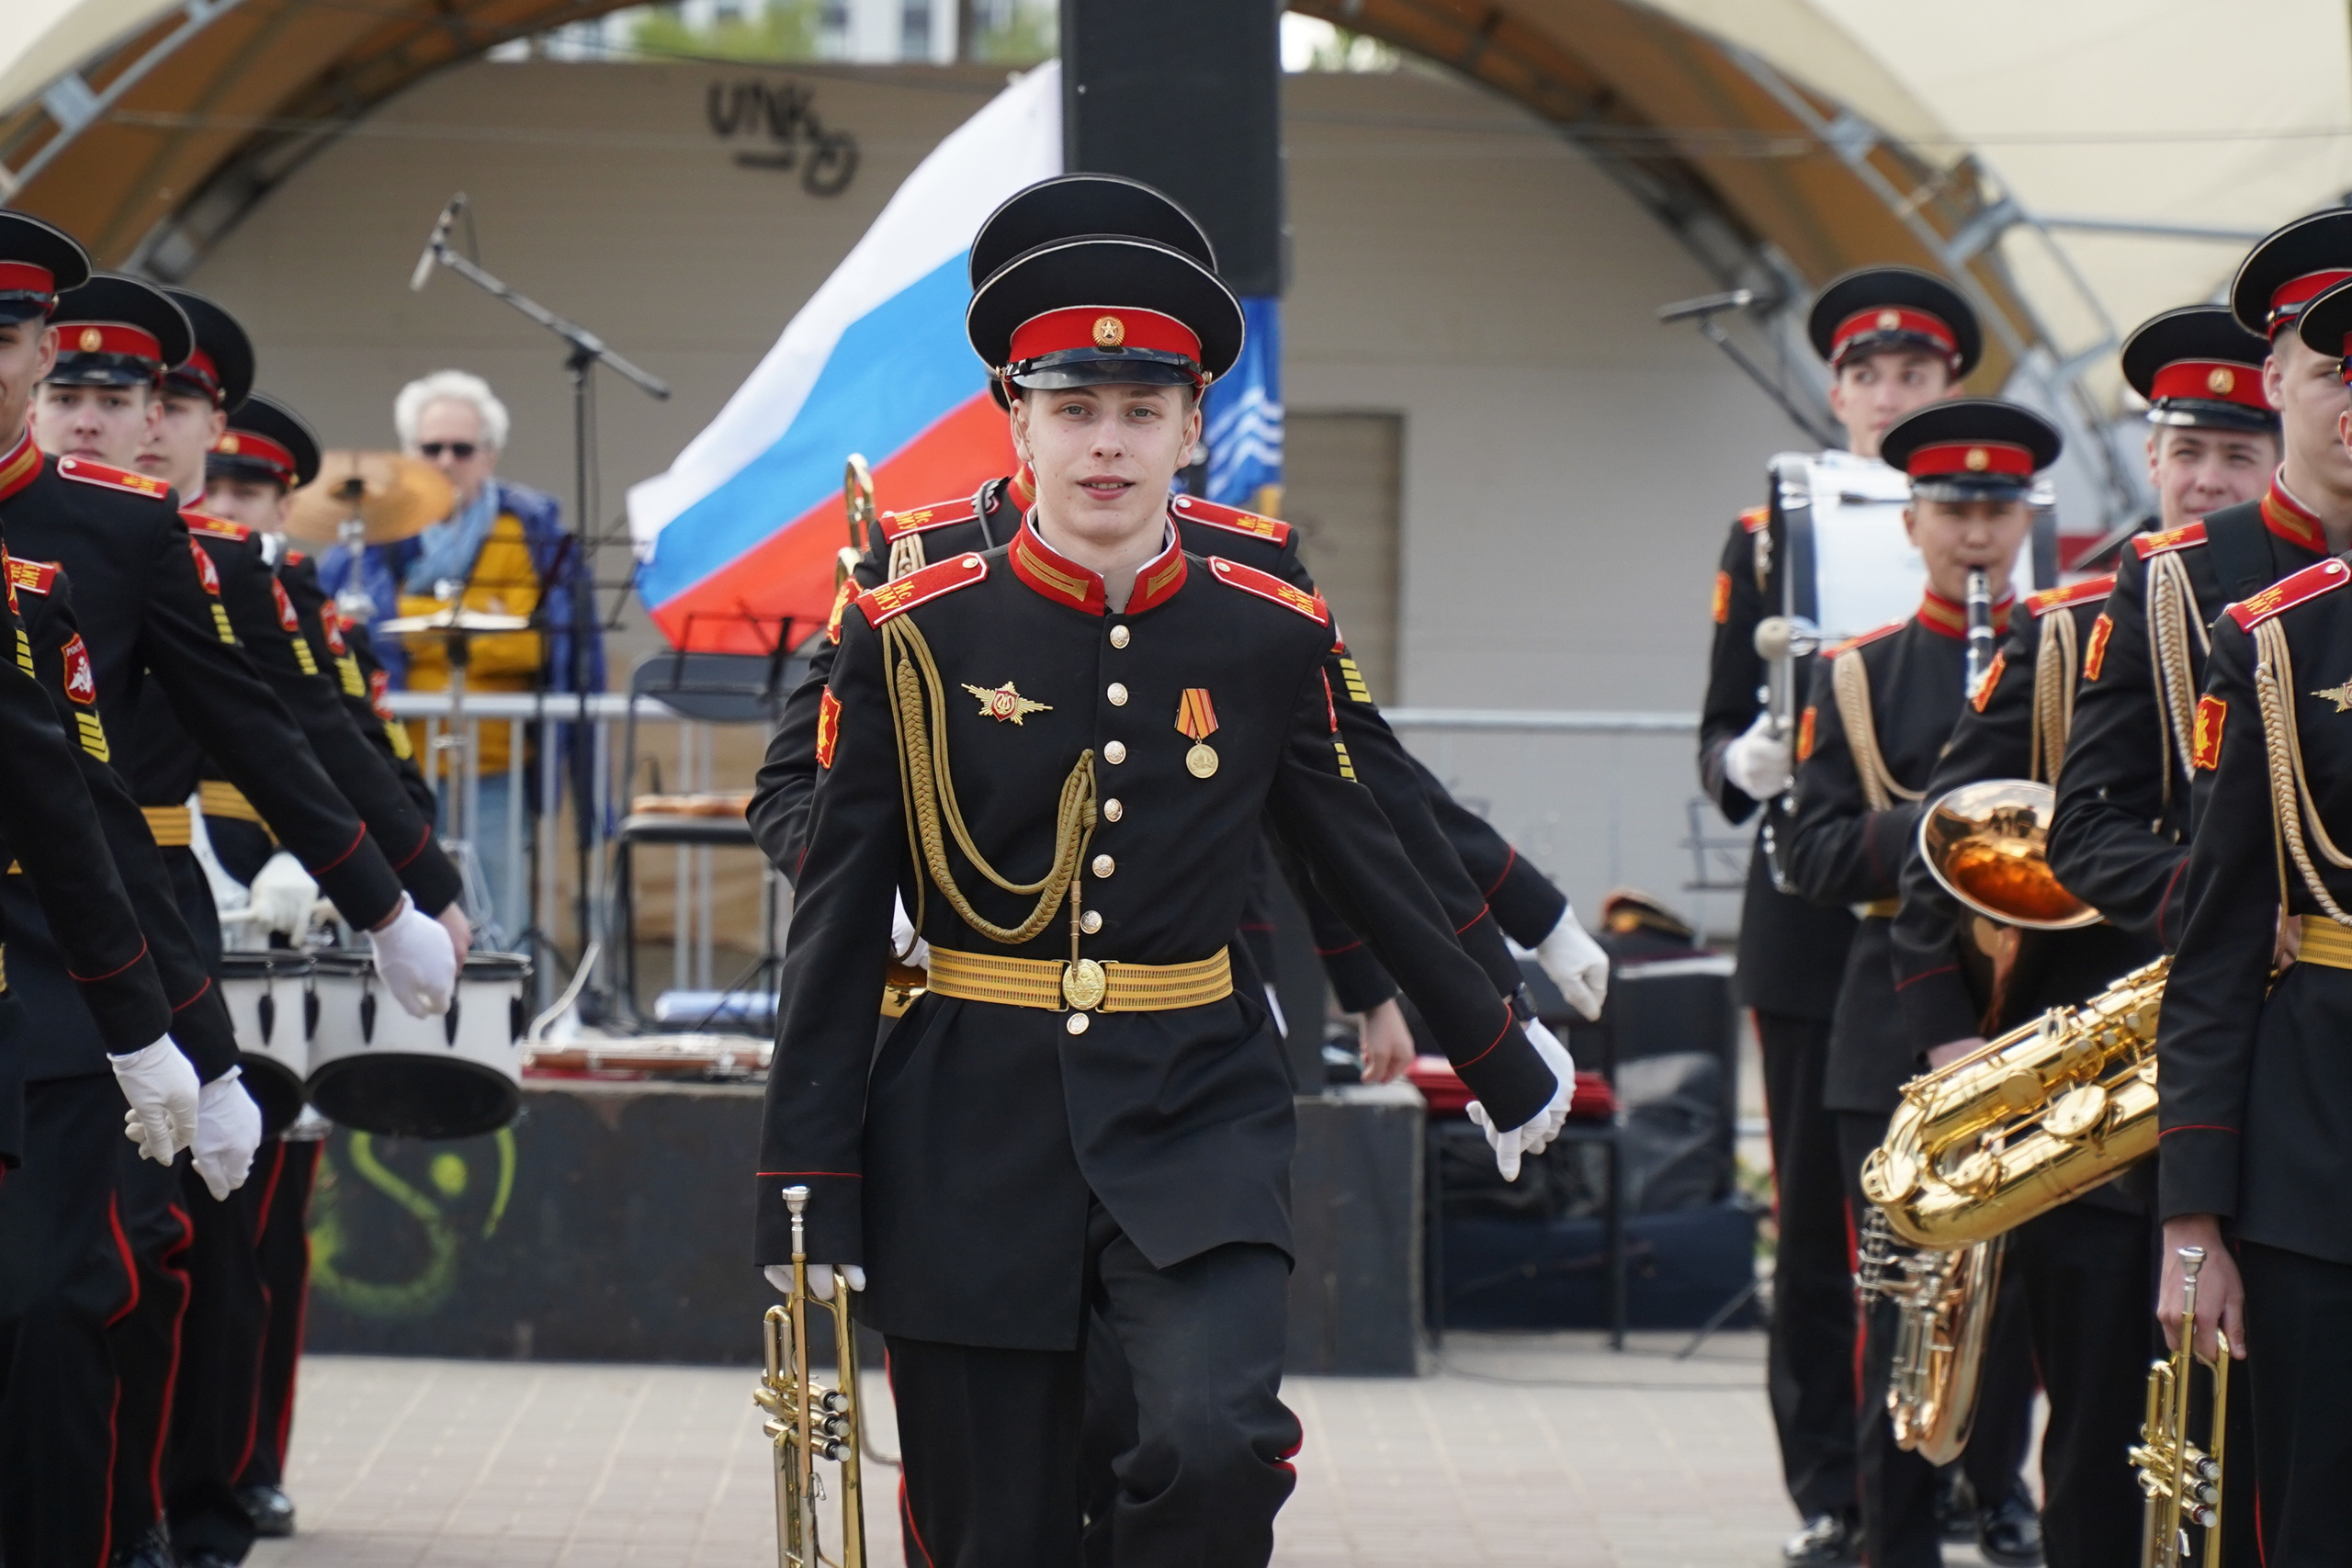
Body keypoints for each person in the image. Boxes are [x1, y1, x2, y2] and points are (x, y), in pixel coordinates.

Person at [753, 215, 1566, 1563]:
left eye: (1145, 409)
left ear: (1197, 428)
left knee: (1210, 1446)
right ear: (1017, 424)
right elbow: (836, 913)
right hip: (964, 1119)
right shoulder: (915, 622)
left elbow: (1356, 835)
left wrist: (1494, 1041)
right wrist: (806, 1179)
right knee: (989, 1528)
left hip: (1196, 1100)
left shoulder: (1264, 620)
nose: (1109, 443)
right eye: (1075, 408)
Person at [4, 253, 454, 1565]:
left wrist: (394, 896)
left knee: (120, 1265)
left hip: (107, 925)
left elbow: (269, 724)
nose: (87, 409)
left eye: (111, 386)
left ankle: (156, 1510)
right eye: (72, 381)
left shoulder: (131, 534)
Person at [1698, 265, 2017, 1564]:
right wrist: (1756, 761)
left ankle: (1985, 1479)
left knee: (1990, 1211)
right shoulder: (1771, 529)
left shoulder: (2000, 527)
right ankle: (1837, 1486)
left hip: (1967, 925)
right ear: (1836, 392)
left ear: (1951, 393)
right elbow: (1717, 732)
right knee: (1834, 1224)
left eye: (1918, 377)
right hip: (1819, 923)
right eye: (1870, 377)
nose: (1891, 398)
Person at [1784, 398, 2059, 1568]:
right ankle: (1886, 1530)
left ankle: (1994, 1494)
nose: (1976, 533)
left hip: (2030, 999)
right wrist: (1945, 833)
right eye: (1953, 509)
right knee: (1898, 1294)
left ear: (2026, 522)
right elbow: (1806, 854)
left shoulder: (2060, 655)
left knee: (2024, 1291)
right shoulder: (1856, 675)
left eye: (1998, 509)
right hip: (1886, 1015)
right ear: (1911, 523)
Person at [1889, 553, 2161, 1567]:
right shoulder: (2065, 626)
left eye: (2230, 455)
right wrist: (1952, 1040)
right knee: (2093, 1420)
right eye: (2185, 453)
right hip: (2079, 1092)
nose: (2203, 476)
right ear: (2152, 461)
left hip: (2268, 1074)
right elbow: (1950, 843)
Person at [2143, 267, 2352, 1566]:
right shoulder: (2279, 641)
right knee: (2312, 1510)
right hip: (2322, 1145)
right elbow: (2216, 945)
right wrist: (2189, 1215)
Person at [2050, 214, 2350, 946]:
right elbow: (2087, 824)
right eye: (2334, 374)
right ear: (2275, 382)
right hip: (2268, 1005)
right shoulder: (2171, 579)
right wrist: (2216, 902)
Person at [320, 370, 605, 945]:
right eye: (431, 448)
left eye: (462, 448)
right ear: (408, 455)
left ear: (490, 455)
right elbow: (356, 638)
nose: (446, 461)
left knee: (496, 923)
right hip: (390, 767)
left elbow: (538, 641)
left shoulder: (527, 530)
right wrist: (478, 618)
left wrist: (417, 619)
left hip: (496, 768)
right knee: (392, 918)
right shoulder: (369, 530)